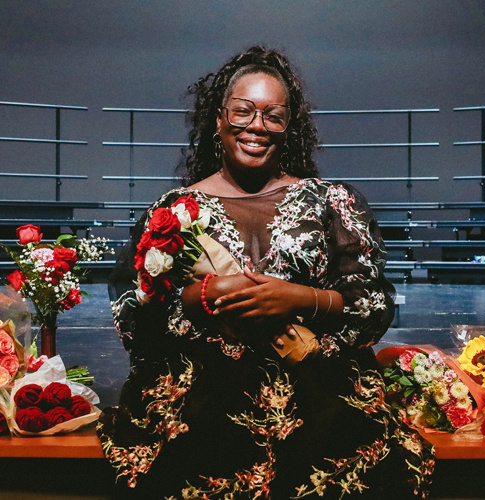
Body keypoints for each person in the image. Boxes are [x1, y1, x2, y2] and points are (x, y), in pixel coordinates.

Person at [98, 46, 434, 499]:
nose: (257, 126)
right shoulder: (174, 210)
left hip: (321, 391)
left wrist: (298, 298)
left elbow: (373, 306)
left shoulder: (332, 202)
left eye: (274, 115)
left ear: (288, 126)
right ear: (218, 119)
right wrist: (207, 293)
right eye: (243, 111)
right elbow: (136, 317)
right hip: (203, 405)